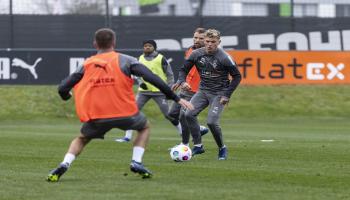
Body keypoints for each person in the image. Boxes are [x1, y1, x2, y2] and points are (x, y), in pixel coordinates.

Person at [46, 28, 193, 182]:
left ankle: (65, 164)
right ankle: (136, 162)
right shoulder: (126, 60)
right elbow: (151, 77)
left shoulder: (87, 64)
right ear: (114, 43)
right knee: (144, 127)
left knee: (81, 139)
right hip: (125, 113)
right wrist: (175, 98)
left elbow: (62, 88)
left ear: (95, 44)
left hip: (98, 114)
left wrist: (66, 96)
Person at [172, 29, 241, 160]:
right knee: (188, 114)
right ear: (204, 41)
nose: (209, 44)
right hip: (203, 90)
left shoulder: (225, 58)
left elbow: (237, 76)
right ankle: (198, 145)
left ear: (219, 42)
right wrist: (182, 81)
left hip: (219, 93)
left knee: (211, 122)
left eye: (213, 42)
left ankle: (222, 148)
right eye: (207, 41)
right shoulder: (196, 54)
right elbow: (183, 69)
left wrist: (227, 95)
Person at [115, 40, 180, 142]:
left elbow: (170, 75)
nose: (147, 47)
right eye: (145, 46)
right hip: (143, 92)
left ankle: (183, 134)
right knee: (132, 111)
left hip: (159, 92)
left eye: (150, 46)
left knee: (169, 115)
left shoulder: (161, 58)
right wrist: (141, 83)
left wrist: (169, 88)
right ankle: (127, 137)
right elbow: (136, 74)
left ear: (154, 47)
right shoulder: (139, 59)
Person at [168, 27, 209, 147]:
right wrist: (180, 81)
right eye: (195, 37)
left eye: (201, 38)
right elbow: (186, 68)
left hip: (196, 90)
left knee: (183, 116)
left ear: (206, 39)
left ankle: (185, 144)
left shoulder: (209, 53)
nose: (197, 40)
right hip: (184, 87)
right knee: (172, 114)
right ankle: (198, 129)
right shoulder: (190, 50)